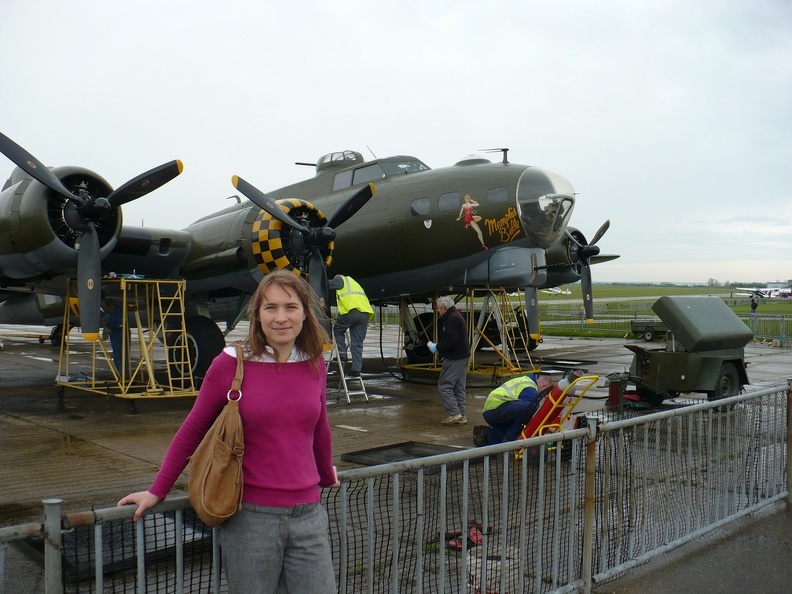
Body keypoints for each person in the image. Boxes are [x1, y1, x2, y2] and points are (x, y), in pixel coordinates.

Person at [118, 270, 340, 593]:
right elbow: (192, 429)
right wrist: (158, 490)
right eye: (270, 308)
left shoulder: (314, 363)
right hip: (251, 519)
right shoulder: (231, 363)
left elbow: (319, 428)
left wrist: (326, 471)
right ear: (257, 315)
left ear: (305, 313)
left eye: (290, 307)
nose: (281, 317)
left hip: (309, 515)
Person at [426, 295, 471, 425]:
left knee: (444, 385)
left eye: (439, 308)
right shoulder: (456, 316)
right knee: (459, 387)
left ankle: (454, 413)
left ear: (444, 308)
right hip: (462, 355)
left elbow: (452, 342)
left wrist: (436, 347)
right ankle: (462, 415)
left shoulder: (450, 319)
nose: (438, 311)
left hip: (455, 357)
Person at [474, 374, 550, 446]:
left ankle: (486, 435)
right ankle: (511, 441)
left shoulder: (524, 380)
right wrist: (548, 427)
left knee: (507, 431)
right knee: (533, 407)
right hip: (499, 408)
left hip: (490, 411)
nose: (544, 396)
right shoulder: (530, 387)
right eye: (546, 393)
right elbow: (532, 411)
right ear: (544, 386)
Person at [329, 274, 374, 377]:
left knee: (337, 331)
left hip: (350, 311)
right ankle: (356, 369)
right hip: (364, 314)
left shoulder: (340, 279)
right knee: (357, 343)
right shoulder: (355, 284)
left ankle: (342, 355)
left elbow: (324, 284)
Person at [102, 298, 125, 375]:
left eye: (107, 308)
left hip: (118, 334)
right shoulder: (115, 312)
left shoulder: (117, 312)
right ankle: (119, 372)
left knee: (119, 355)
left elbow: (119, 324)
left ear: (111, 306)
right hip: (115, 334)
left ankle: (120, 373)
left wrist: (108, 326)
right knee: (118, 354)